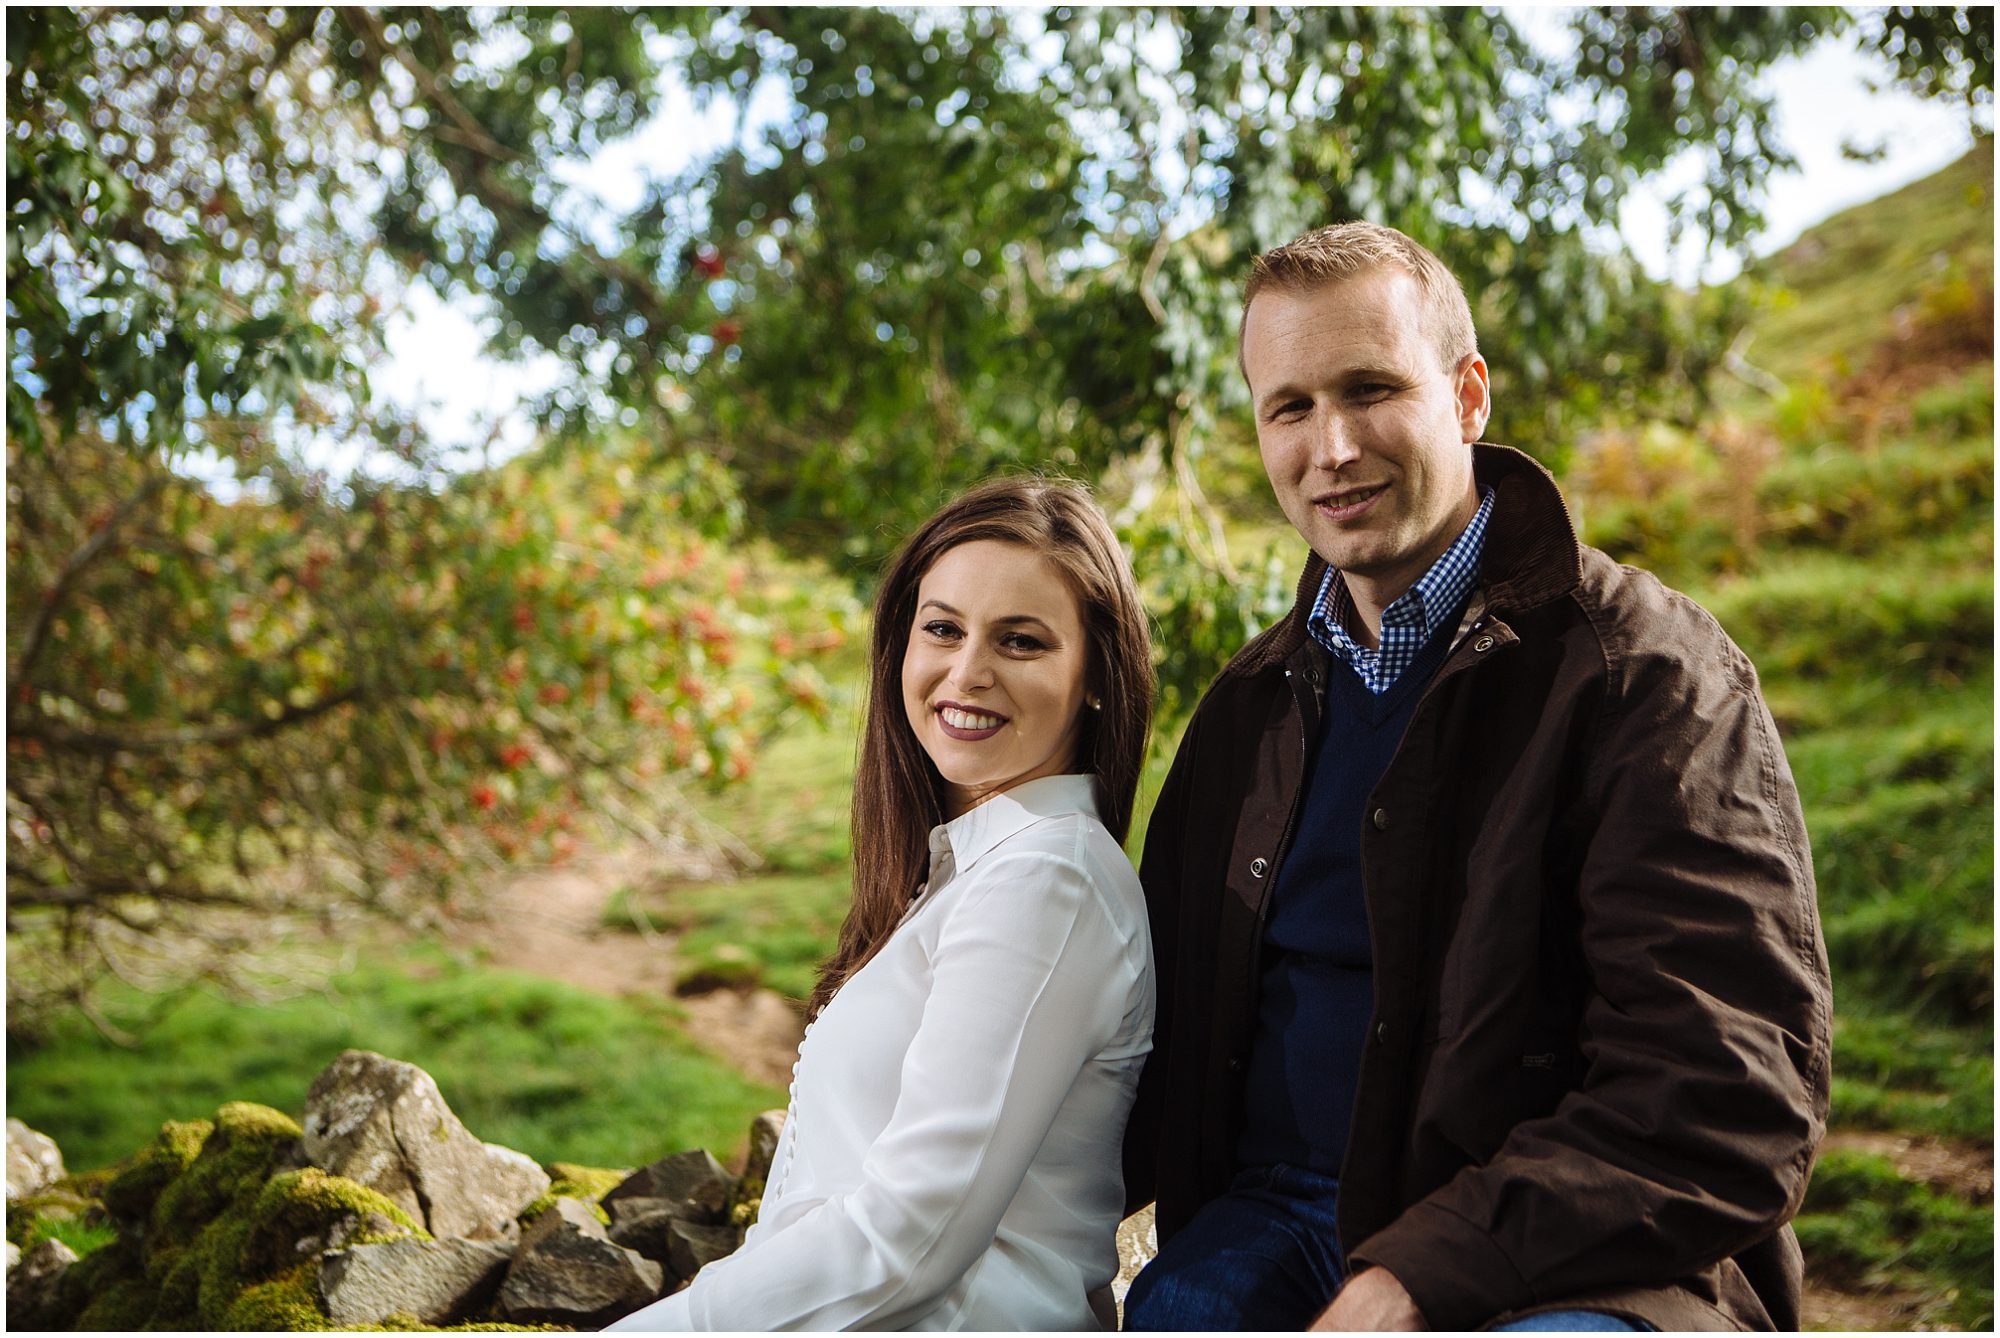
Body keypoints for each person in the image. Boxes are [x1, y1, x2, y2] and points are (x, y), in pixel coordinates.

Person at [1119, 222, 1832, 1332]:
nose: (1333, 446)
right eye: (1290, 407)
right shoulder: (1249, 705)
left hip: (1585, 1254)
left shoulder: (1648, 676)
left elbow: (1722, 1089)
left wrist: (1420, 1274)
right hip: (1278, 1219)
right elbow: (1144, 1034)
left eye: (1370, 390)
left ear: (1466, 397)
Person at [609, 478, 1156, 1331]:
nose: (966, 673)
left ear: (1096, 677)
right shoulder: (970, 868)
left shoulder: (1048, 882)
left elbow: (910, 1237)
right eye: (942, 628)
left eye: (1020, 641)